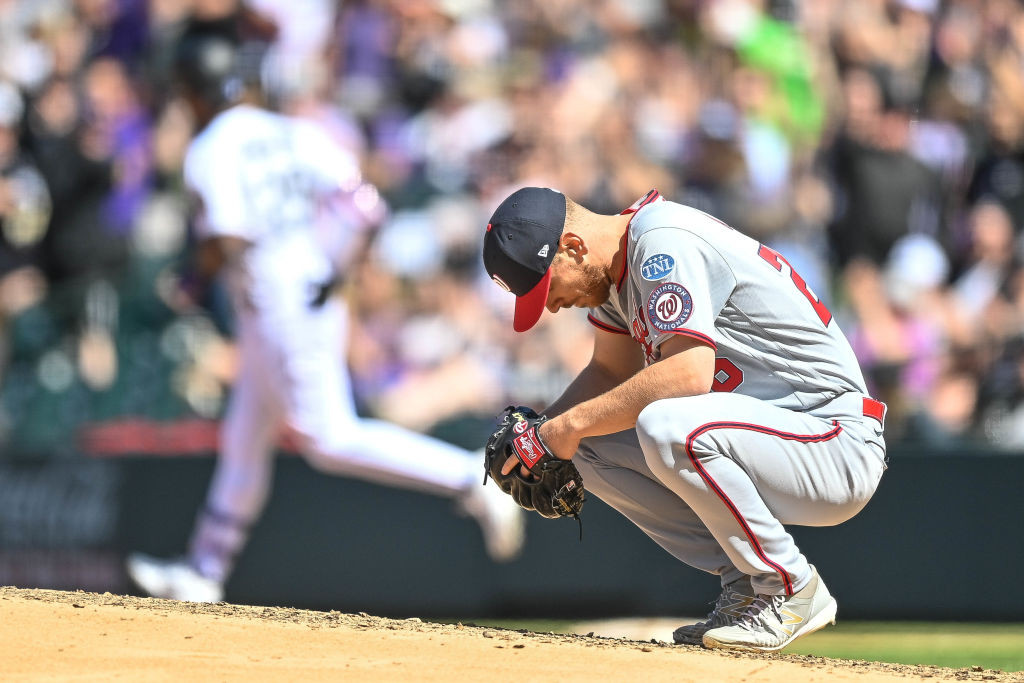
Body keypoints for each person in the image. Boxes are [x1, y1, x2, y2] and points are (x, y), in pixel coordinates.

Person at [126, 29, 523, 604]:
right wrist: (341, 270)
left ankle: (472, 476)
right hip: (307, 285)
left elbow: (229, 239)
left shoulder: (210, 146)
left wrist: (189, 281)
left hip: (276, 303)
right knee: (244, 437)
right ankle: (203, 571)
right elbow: (365, 204)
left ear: (192, 91)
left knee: (330, 438)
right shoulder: (291, 131)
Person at [482, 186, 887, 652]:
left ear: (573, 247)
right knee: (586, 444)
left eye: (547, 287)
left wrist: (563, 427)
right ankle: (746, 585)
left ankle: (790, 587)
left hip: (833, 439)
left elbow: (690, 374)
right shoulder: (614, 273)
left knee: (664, 425)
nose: (550, 305)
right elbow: (610, 372)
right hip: (774, 436)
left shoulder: (659, 242)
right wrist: (541, 435)